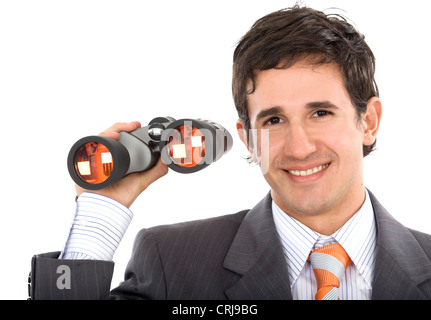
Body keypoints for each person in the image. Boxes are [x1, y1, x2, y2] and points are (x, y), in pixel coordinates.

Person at [29, 5, 431, 300]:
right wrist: (99, 216)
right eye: (273, 121)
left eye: (321, 113)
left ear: (369, 121)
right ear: (247, 138)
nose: (299, 147)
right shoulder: (174, 264)